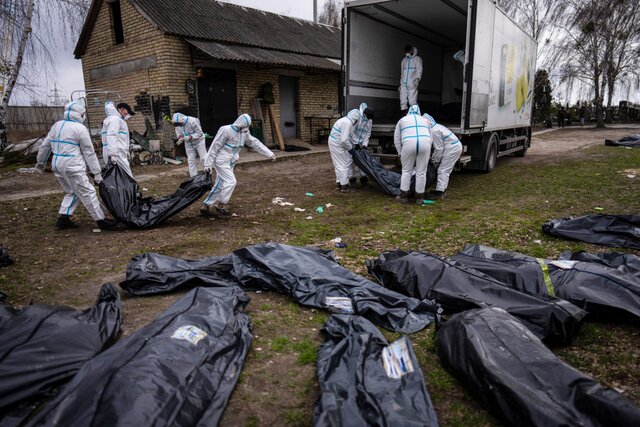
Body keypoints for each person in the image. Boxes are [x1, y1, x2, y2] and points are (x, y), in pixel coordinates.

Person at [35, 102, 118, 230]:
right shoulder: (79, 128)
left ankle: (63, 218)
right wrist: (96, 173)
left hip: (57, 165)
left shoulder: (57, 125)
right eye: (83, 114)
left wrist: (40, 163)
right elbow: (89, 152)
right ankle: (101, 220)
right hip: (72, 165)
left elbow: (45, 146)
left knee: (72, 191)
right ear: (80, 114)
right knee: (88, 191)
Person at [200, 114, 275, 218]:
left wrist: (268, 153)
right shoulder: (226, 130)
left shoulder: (244, 132)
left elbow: (254, 142)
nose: (246, 129)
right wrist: (208, 163)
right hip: (222, 160)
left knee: (220, 183)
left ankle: (206, 206)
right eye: (245, 126)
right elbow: (215, 146)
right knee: (231, 181)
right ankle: (220, 205)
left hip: (231, 161)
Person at [393, 105, 432, 204]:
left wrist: (400, 152)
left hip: (408, 144)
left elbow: (397, 138)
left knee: (406, 171)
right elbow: (431, 138)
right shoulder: (426, 120)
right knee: (421, 172)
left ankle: (404, 196)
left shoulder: (402, 120)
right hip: (425, 143)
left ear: (409, 111)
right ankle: (419, 197)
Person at [423, 113, 462, 200]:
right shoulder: (436, 127)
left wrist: (435, 162)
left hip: (453, 148)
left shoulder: (434, 131)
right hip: (453, 146)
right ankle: (441, 191)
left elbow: (439, 149)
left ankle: (439, 193)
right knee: (445, 170)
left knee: (443, 170)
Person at [329, 109, 359, 192]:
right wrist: (351, 149)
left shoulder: (345, 120)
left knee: (338, 164)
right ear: (355, 119)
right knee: (343, 164)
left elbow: (351, 134)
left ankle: (339, 183)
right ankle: (344, 186)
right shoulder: (348, 122)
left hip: (335, 142)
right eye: (357, 120)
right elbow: (344, 140)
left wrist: (356, 143)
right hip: (337, 144)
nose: (356, 122)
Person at [102, 101, 135, 177]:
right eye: (127, 111)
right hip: (117, 152)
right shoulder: (115, 119)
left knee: (118, 175)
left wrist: (126, 151)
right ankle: (131, 188)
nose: (128, 114)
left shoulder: (116, 119)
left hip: (117, 151)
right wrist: (113, 154)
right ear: (122, 109)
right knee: (126, 174)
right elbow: (112, 135)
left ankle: (124, 188)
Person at [172, 112, 207, 177]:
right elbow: (178, 131)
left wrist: (190, 136)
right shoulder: (178, 124)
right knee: (191, 160)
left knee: (203, 158)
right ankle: (194, 177)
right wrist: (180, 137)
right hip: (188, 143)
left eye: (180, 124)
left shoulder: (192, 121)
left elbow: (200, 133)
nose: (179, 126)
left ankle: (208, 173)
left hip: (199, 141)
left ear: (182, 121)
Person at [349, 103, 375, 187]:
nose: (369, 119)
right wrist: (356, 143)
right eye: (368, 117)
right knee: (351, 160)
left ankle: (363, 178)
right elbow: (351, 132)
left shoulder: (369, 120)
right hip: (351, 142)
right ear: (364, 114)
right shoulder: (357, 117)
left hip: (360, 143)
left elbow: (368, 133)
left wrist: (364, 145)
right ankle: (351, 178)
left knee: (362, 159)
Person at [399, 45, 423, 113]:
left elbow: (419, 70)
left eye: (408, 51)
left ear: (412, 50)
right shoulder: (404, 60)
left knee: (412, 101)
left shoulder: (417, 59)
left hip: (412, 83)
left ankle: (416, 115)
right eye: (406, 52)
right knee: (403, 101)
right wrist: (401, 84)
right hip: (403, 83)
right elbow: (402, 73)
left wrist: (417, 79)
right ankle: (405, 116)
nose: (407, 53)